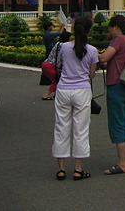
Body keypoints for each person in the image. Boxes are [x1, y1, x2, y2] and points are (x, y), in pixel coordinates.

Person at [51, 16, 98, 181]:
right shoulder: (92, 50)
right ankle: (78, 169)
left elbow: (57, 64)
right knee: (81, 130)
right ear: (88, 31)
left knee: (61, 127)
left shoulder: (63, 47)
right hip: (82, 90)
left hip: (63, 89)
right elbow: (91, 75)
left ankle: (61, 169)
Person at [97, 14, 125, 174]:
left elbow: (104, 57)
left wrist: (89, 52)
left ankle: (122, 163)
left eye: (110, 28)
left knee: (117, 124)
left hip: (117, 85)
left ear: (115, 27)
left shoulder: (119, 39)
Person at [41, 29, 71, 100]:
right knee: (57, 80)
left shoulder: (58, 44)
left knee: (58, 79)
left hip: (46, 64)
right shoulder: (63, 45)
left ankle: (56, 95)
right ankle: (46, 95)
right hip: (51, 65)